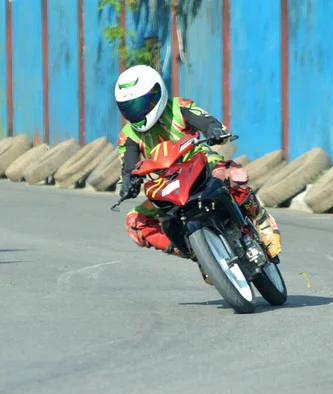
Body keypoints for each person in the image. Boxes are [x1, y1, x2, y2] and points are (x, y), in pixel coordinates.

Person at [114, 64, 282, 272]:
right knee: (134, 222)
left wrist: (214, 130)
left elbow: (206, 121)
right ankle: (200, 255)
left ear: (158, 93)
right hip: (165, 184)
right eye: (129, 107)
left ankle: (261, 221)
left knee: (233, 175)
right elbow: (128, 166)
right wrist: (129, 183)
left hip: (202, 164)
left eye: (141, 103)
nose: (137, 112)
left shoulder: (179, 106)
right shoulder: (127, 135)